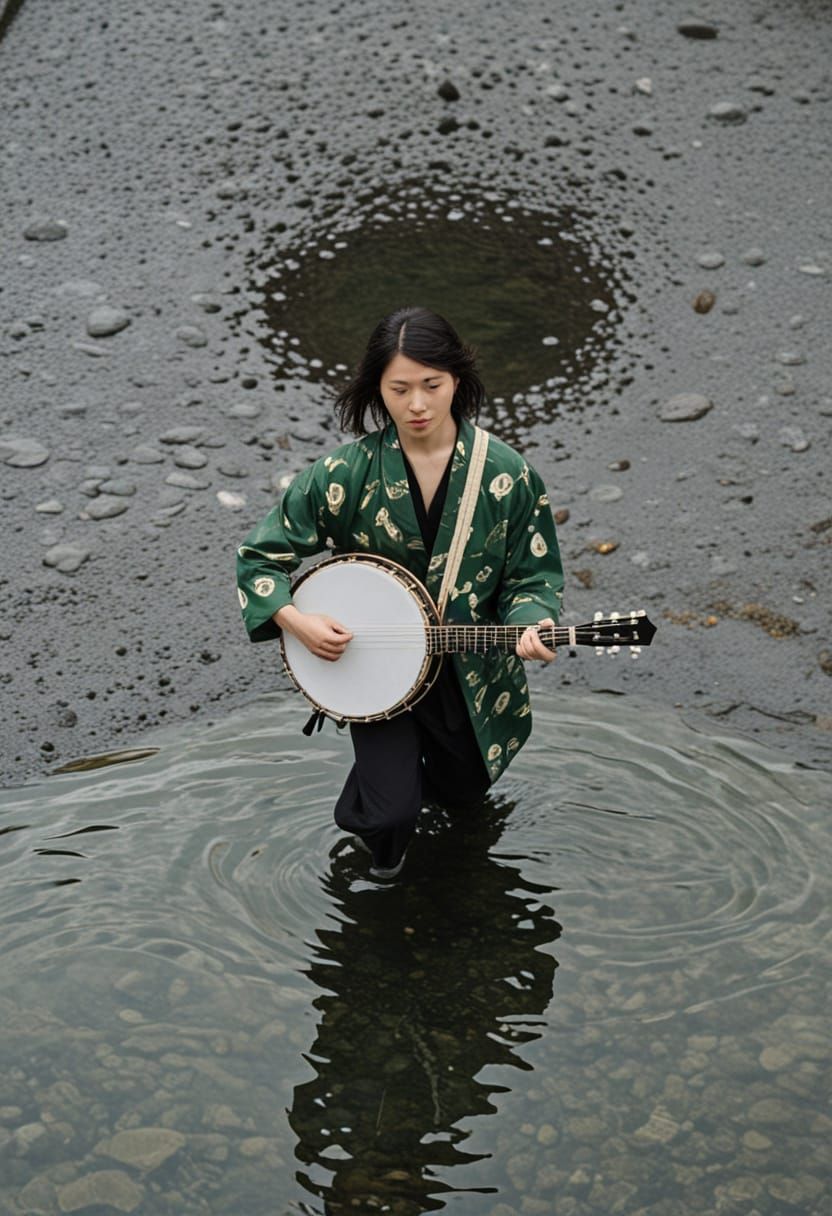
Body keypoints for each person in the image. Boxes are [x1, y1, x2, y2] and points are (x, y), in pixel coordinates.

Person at [236, 307, 563, 879]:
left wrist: (533, 621)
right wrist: (294, 619)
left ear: (456, 381)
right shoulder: (344, 473)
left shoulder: (506, 474)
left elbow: (532, 576)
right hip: (376, 667)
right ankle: (383, 871)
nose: (417, 404)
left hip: (467, 665)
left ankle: (437, 852)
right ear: (377, 389)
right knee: (388, 819)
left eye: (432, 385)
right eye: (399, 388)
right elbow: (260, 556)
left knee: (466, 796)